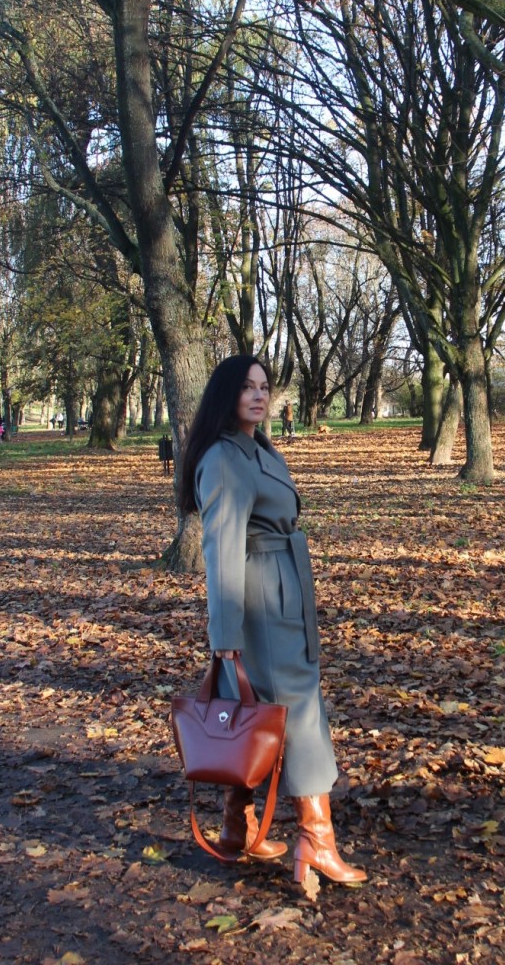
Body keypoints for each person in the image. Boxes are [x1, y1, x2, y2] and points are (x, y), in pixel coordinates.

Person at [180, 355, 366, 885]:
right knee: (297, 710)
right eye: (247, 387)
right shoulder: (223, 458)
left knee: (253, 706)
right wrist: (224, 637)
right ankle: (316, 839)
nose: (259, 395)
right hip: (261, 597)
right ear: (227, 394)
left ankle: (236, 827)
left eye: (264, 386)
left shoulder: (258, 448)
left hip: (282, 586)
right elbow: (221, 551)